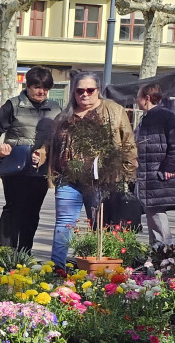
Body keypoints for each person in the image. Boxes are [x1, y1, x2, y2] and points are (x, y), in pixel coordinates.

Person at [47, 71, 137, 268]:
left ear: (98, 90)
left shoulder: (114, 110)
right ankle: (57, 268)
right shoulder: (65, 115)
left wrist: (127, 175)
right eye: (80, 90)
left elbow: (128, 143)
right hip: (68, 179)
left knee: (99, 226)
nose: (85, 94)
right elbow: (53, 145)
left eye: (90, 90)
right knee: (64, 224)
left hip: (101, 180)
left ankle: (95, 269)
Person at [0, 67, 61, 254]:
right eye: (37, 87)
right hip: (15, 168)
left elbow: (61, 138)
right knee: (13, 209)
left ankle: (24, 253)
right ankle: (4, 253)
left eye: (45, 88)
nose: (41, 92)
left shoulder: (55, 108)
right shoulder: (13, 105)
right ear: (27, 86)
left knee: (32, 212)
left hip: (41, 171)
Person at [135, 82, 175, 246]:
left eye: (138, 97)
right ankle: (160, 255)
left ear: (147, 98)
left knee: (157, 215)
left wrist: (170, 166)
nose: (136, 100)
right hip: (149, 175)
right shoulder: (148, 117)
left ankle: (165, 256)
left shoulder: (164, 116)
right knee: (154, 214)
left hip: (157, 176)